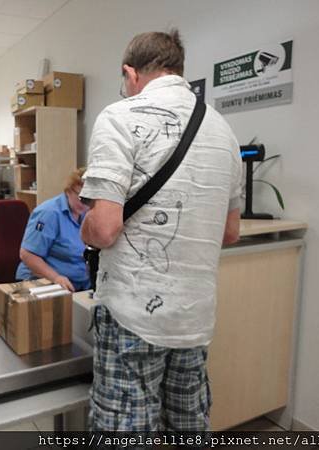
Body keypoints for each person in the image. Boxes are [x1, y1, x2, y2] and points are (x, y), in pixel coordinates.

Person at [80, 30, 242, 433]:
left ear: (130, 73)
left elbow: (103, 229)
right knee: (188, 428)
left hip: (133, 316)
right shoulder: (225, 132)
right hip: (194, 318)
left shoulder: (119, 116)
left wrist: (84, 225)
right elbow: (230, 233)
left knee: (124, 431)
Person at [16, 168, 90, 292]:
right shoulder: (49, 213)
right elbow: (27, 254)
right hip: (44, 279)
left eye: (89, 198)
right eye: (81, 197)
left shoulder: (85, 213)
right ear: (68, 191)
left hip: (78, 283)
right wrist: (56, 278)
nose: (85, 203)